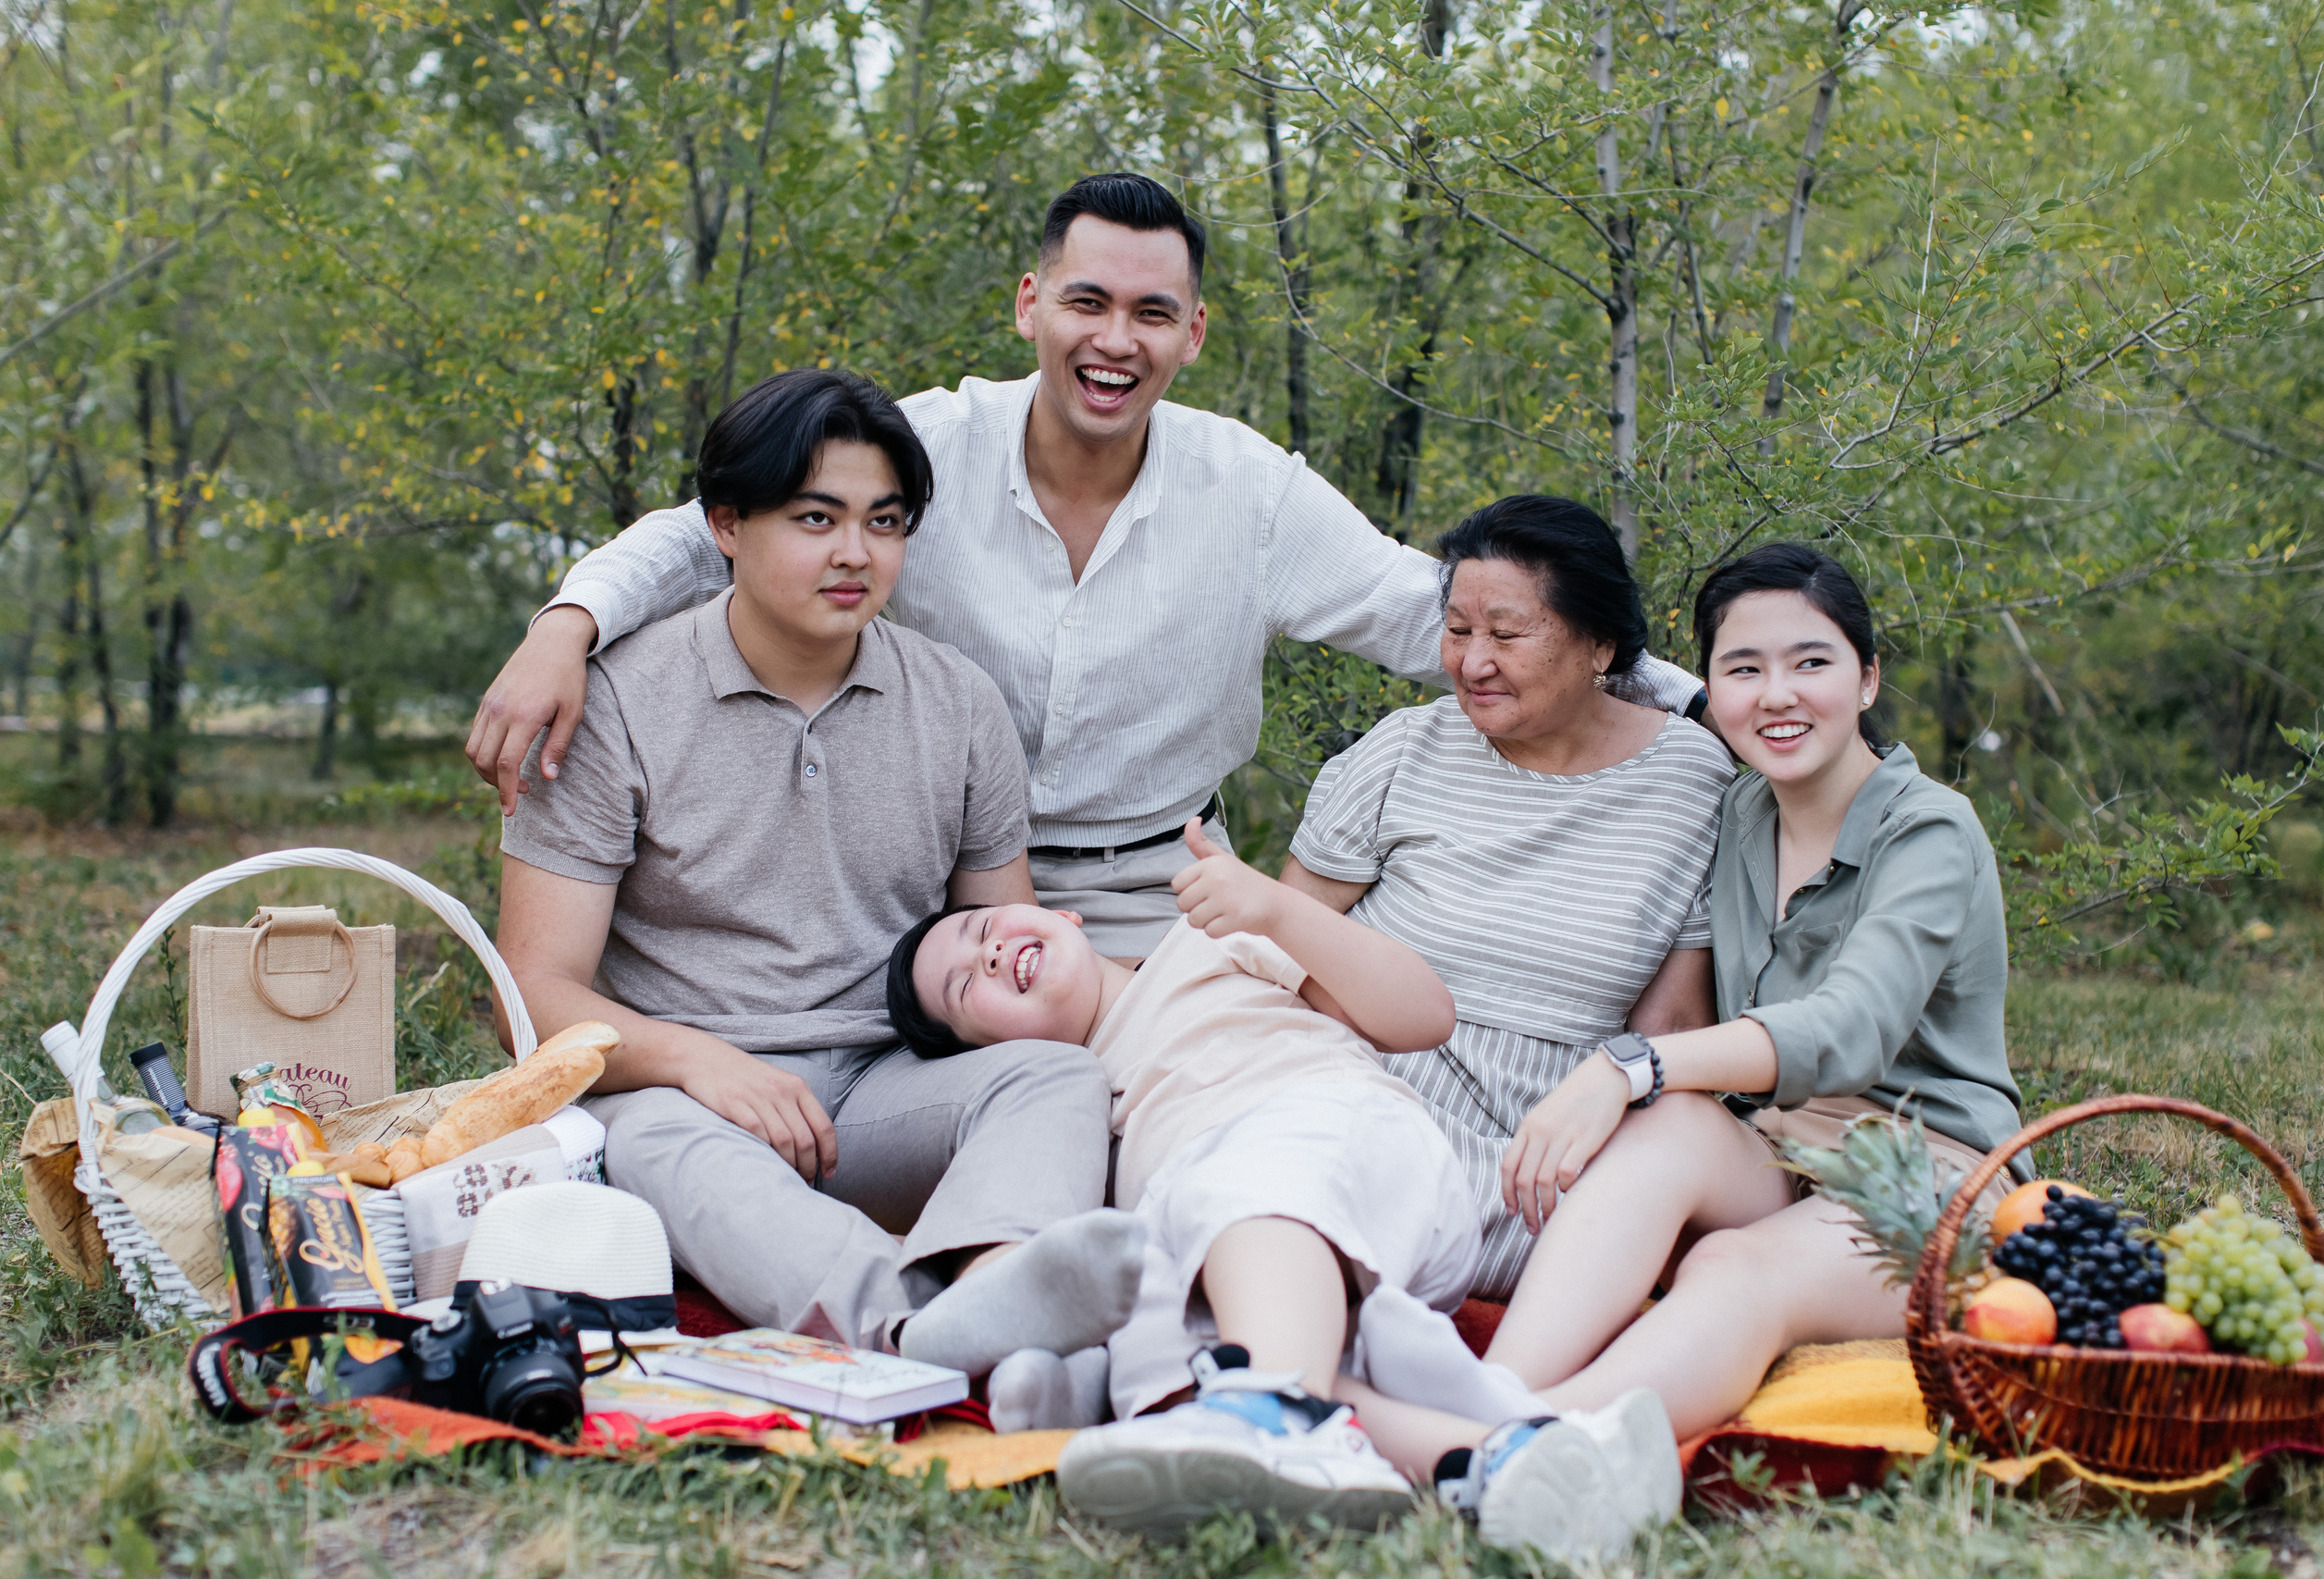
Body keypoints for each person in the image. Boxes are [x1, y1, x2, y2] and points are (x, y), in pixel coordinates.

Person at [465, 173, 1703, 956]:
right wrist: (564, 622)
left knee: (1203, 1111)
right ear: (1031, 304)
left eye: (1153, 314)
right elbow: (707, 531)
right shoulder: (924, 447)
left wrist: (1696, 701)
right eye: (1087, 301)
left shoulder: (1251, 492)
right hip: (915, 882)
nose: (1116, 341)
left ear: (1194, 334)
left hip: (1159, 898)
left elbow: (1434, 614)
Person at [1325, 542, 2024, 1566]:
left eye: (1812, 664)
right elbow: (1627, 675)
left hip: (1927, 1185)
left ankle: (1509, 1444)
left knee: (1729, 1260)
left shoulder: (1930, 832)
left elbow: (1850, 1029)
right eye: (1743, 669)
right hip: (1778, 1159)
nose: (1776, 696)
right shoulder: (1739, 809)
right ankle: (1494, 1397)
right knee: (1671, 1127)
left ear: (1867, 678)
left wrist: (1624, 1067)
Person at [495, 369, 1142, 1381]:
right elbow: (528, 996)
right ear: (725, 528)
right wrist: (694, 1062)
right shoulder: (616, 702)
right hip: (689, 1087)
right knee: (652, 1144)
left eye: (883, 522)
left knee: (1053, 1074)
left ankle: (1004, 1295)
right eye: (815, 517)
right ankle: (912, 1330)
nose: (855, 553)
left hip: (887, 1083)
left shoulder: (957, 702)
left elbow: (1008, 941)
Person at [883, 822, 1484, 1535]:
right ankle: (1481, 1454)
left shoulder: (1206, 939)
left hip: (1347, 1145)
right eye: (963, 986)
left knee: (1238, 1185)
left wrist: (1275, 908)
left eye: (982, 926)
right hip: (1269, 1273)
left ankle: (1276, 1411)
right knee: (1157, 1347)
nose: (989, 952)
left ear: (1061, 913)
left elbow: (1426, 1015)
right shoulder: (1058, 1111)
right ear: (987, 1057)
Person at [1281, 496, 1736, 1299]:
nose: (1471, 660)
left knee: (1341, 1228)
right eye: (1457, 630)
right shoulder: (1407, 748)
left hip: (1538, 1156)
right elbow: (1285, 947)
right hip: (1348, 1089)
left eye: (1506, 632)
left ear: (1599, 645)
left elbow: (1672, 1030)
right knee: (1286, 1186)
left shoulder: (1693, 784)